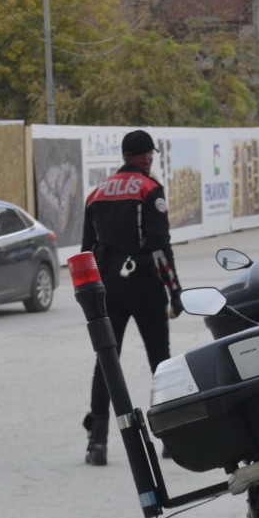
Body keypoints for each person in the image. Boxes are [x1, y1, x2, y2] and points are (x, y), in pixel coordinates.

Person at [81, 129, 183, 467]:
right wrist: (174, 290)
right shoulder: (151, 190)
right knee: (161, 362)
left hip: (107, 287)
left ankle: (97, 442)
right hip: (144, 285)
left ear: (124, 154)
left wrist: (88, 296)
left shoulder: (96, 195)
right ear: (146, 156)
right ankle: (171, 438)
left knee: (107, 362)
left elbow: (85, 253)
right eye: (150, 154)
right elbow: (158, 247)